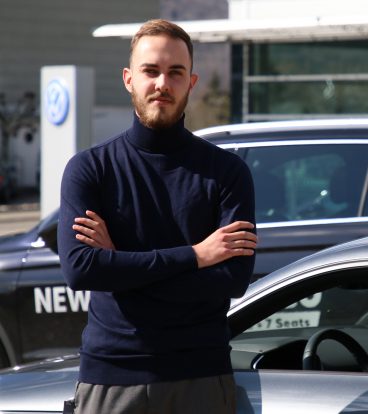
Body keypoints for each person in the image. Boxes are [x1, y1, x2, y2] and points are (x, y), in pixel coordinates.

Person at [57, 19, 257, 413]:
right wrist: (196, 256)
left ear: (191, 82)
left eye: (175, 72)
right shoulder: (89, 169)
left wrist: (119, 265)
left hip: (199, 375)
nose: (162, 83)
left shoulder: (227, 172)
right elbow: (82, 271)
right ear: (129, 79)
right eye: (151, 71)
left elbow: (232, 281)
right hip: (112, 375)